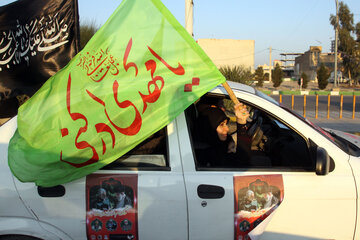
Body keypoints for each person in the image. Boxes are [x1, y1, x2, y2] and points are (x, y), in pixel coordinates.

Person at [194, 102, 250, 167]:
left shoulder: (221, 145)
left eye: (226, 124)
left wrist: (230, 142)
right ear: (209, 127)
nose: (227, 129)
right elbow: (243, 165)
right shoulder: (206, 155)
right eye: (221, 125)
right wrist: (241, 125)